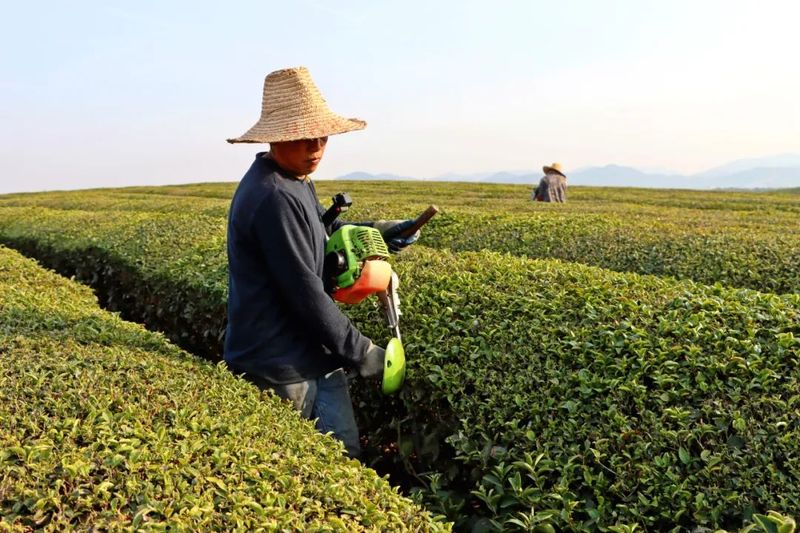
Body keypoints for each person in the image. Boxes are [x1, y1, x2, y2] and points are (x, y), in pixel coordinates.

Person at [223, 67, 419, 459]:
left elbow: (321, 231)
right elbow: (304, 292)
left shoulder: (295, 179)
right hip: (278, 365)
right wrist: (362, 352)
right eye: (303, 136)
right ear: (278, 136)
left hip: (315, 356)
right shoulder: (272, 196)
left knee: (345, 460)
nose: (315, 146)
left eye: (322, 136)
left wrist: (377, 232)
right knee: (299, 469)